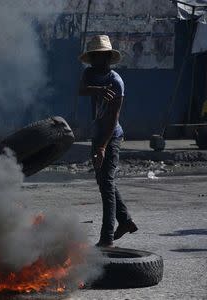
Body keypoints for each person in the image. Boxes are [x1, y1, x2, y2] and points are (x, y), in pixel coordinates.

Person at [78, 35, 138, 247]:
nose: (98, 61)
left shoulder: (116, 82)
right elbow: (81, 90)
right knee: (104, 182)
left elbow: (113, 120)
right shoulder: (90, 74)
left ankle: (107, 238)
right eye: (95, 57)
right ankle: (125, 221)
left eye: (102, 57)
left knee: (107, 183)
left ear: (108, 58)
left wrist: (103, 147)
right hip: (97, 134)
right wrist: (98, 90)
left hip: (111, 136)